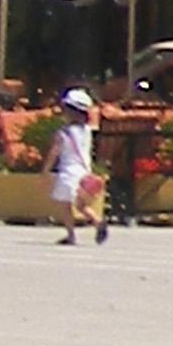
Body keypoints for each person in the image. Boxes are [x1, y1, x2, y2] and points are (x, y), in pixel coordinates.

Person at [46, 88, 107, 246]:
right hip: (84, 171)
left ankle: (71, 234)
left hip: (68, 172)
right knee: (81, 205)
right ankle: (97, 221)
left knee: (65, 205)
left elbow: (54, 152)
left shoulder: (64, 133)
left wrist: (45, 170)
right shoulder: (87, 131)